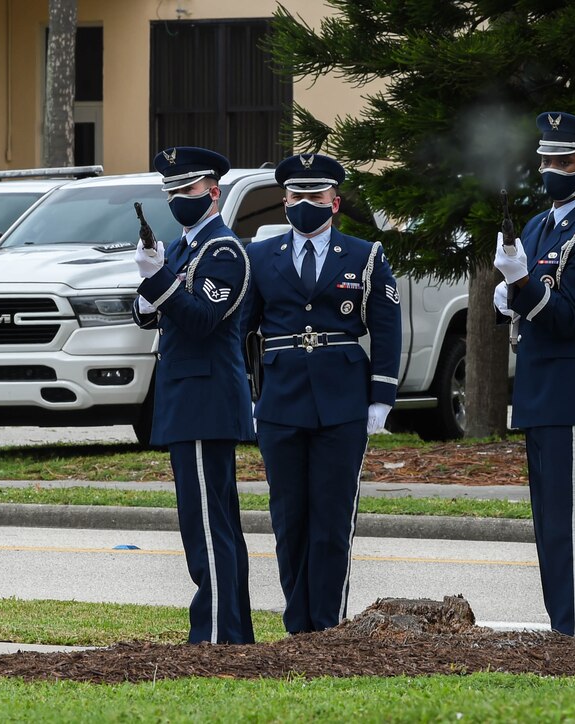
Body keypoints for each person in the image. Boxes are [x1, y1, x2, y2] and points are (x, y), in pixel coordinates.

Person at [242, 153, 402, 634]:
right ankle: (299, 628)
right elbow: (241, 332)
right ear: (284, 201)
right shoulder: (259, 256)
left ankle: (328, 627)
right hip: (281, 400)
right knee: (289, 521)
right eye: (296, 196)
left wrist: (381, 397)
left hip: (342, 401)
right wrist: (248, 394)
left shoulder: (364, 256)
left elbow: (387, 327)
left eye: (315, 196)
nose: (305, 204)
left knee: (331, 522)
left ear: (334, 202)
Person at [493, 111, 575, 639]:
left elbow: (569, 317)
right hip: (540, 391)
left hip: (573, 393)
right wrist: (508, 295)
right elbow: (526, 303)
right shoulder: (537, 225)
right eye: (546, 161)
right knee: (549, 529)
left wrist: (520, 285)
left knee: (568, 527)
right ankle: (563, 635)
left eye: (564, 162)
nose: (551, 170)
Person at [132, 146, 254, 644]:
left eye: (188, 188)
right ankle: (231, 633)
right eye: (172, 192)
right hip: (186, 398)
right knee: (207, 521)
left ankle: (217, 635)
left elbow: (202, 318)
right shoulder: (182, 248)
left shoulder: (223, 251)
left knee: (207, 525)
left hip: (206, 399)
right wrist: (152, 275)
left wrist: (157, 278)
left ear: (213, 191)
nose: (179, 198)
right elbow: (147, 314)